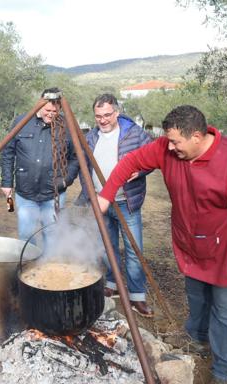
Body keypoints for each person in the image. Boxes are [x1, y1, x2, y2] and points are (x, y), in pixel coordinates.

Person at [97, 105, 227, 384]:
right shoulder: (166, 149)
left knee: (226, 311)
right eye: (168, 140)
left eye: (175, 141)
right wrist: (107, 194)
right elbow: (130, 163)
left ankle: (223, 372)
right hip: (190, 242)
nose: (170, 147)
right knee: (197, 297)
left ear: (197, 136)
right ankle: (197, 340)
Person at [77, 93, 153, 317]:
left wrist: (140, 171)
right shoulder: (90, 137)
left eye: (107, 115)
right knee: (107, 246)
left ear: (117, 113)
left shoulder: (134, 133)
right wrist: (90, 193)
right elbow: (84, 167)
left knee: (133, 249)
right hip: (101, 202)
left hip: (126, 201)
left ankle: (137, 296)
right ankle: (111, 283)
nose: (103, 120)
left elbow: (153, 157)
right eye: (99, 116)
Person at [0, 88, 79, 249]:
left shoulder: (67, 126)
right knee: (26, 234)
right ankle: (28, 268)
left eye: (55, 111)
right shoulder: (22, 121)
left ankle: (47, 267)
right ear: (39, 105)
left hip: (54, 194)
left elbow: (76, 157)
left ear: (60, 109)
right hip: (26, 192)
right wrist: (7, 182)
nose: (50, 114)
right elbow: (8, 152)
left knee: (51, 234)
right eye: (47, 110)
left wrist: (66, 180)